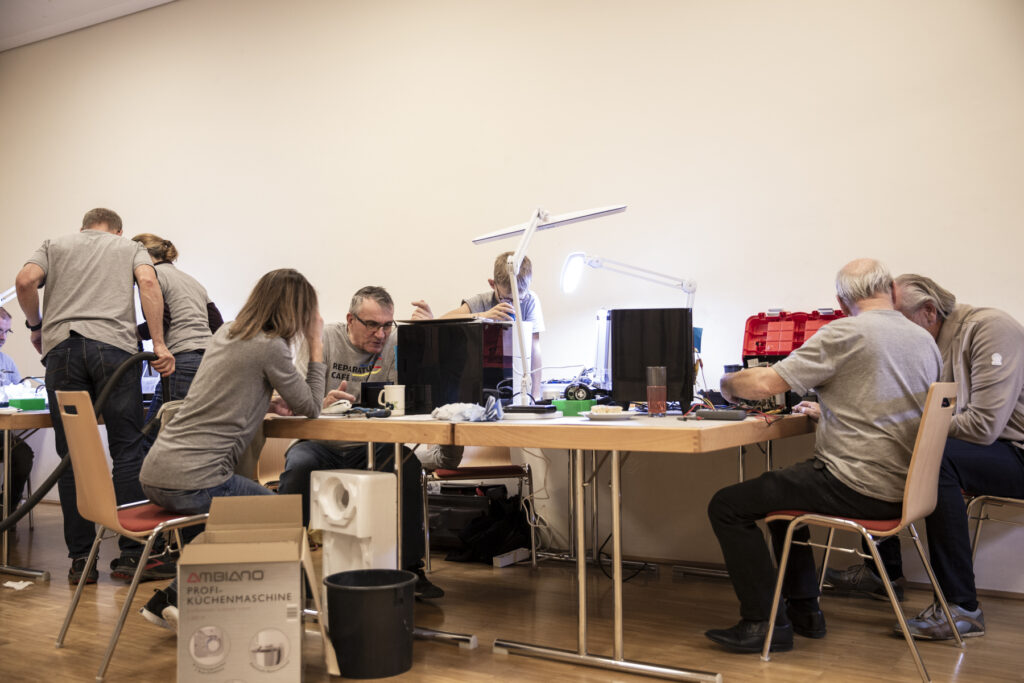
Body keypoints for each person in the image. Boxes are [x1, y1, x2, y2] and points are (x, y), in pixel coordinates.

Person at [703, 258, 941, 654]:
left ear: (842, 302)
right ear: (891, 291)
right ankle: (804, 613)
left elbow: (764, 383)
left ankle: (762, 623)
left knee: (726, 505)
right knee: (781, 503)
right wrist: (831, 412)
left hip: (856, 485)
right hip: (906, 488)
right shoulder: (923, 340)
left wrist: (727, 384)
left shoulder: (846, 332)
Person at [825, 274, 1024, 640]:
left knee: (938, 457)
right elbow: (913, 411)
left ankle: (961, 608)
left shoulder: (990, 329)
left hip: (1017, 452)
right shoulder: (926, 343)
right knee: (892, 444)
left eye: (895, 318)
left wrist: (901, 424)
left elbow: (983, 426)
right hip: (994, 450)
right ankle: (882, 573)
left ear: (929, 312)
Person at [138, 268, 325, 630]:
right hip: (194, 480)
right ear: (296, 312)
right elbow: (312, 407)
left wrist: (266, 401)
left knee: (241, 519)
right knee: (281, 515)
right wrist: (316, 343)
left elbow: (225, 392)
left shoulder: (226, 332)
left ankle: (182, 598)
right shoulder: (270, 346)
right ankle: (188, 598)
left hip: (155, 472)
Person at [15, 208, 175, 585]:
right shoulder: (129, 248)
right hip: (115, 352)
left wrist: (37, 327)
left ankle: (81, 560)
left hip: (63, 353)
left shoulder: (55, 245)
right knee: (127, 450)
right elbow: (148, 283)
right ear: (118, 231)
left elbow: (24, 281)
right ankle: (132, 555)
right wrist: (159, 343)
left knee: (73, 456)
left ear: (83, 228)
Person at [278, 286, 444, 599]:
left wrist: (427, 339)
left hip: (372, 444)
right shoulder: (324, 339)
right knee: (298, 467)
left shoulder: (396, 342)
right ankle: (286, 571)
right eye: (372, 325)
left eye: (387, 325)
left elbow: (424, 394)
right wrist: (320, 403)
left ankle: (410, 568)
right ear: (350, 319)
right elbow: (293, 401)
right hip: (319, 442)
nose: (381, 334)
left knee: (407, 465)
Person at [411, 251, 545, 401]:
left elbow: (534, 346)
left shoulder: (530, 301)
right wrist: (484, 315)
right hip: (481, 377)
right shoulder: (482, 301)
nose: (513, 305)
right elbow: (444, 320)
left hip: (517, 376)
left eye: (519, 299)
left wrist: (536, 395)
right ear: (492, 284)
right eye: (507, 299)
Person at [131, 233, 223, 440]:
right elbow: (217, 326)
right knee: (189, 437)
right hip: (209, 363)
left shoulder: (152, 276)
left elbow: (160, 322)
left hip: (182, 361)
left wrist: (131, 333)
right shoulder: (192, 281)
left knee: (151, 440)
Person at [0, 307, 34, 513]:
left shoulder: (7, 362)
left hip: (2, 433)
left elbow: (20, 396)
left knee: (23, 456)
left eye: (6, 332)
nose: (2, 337)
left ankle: (6, 511)